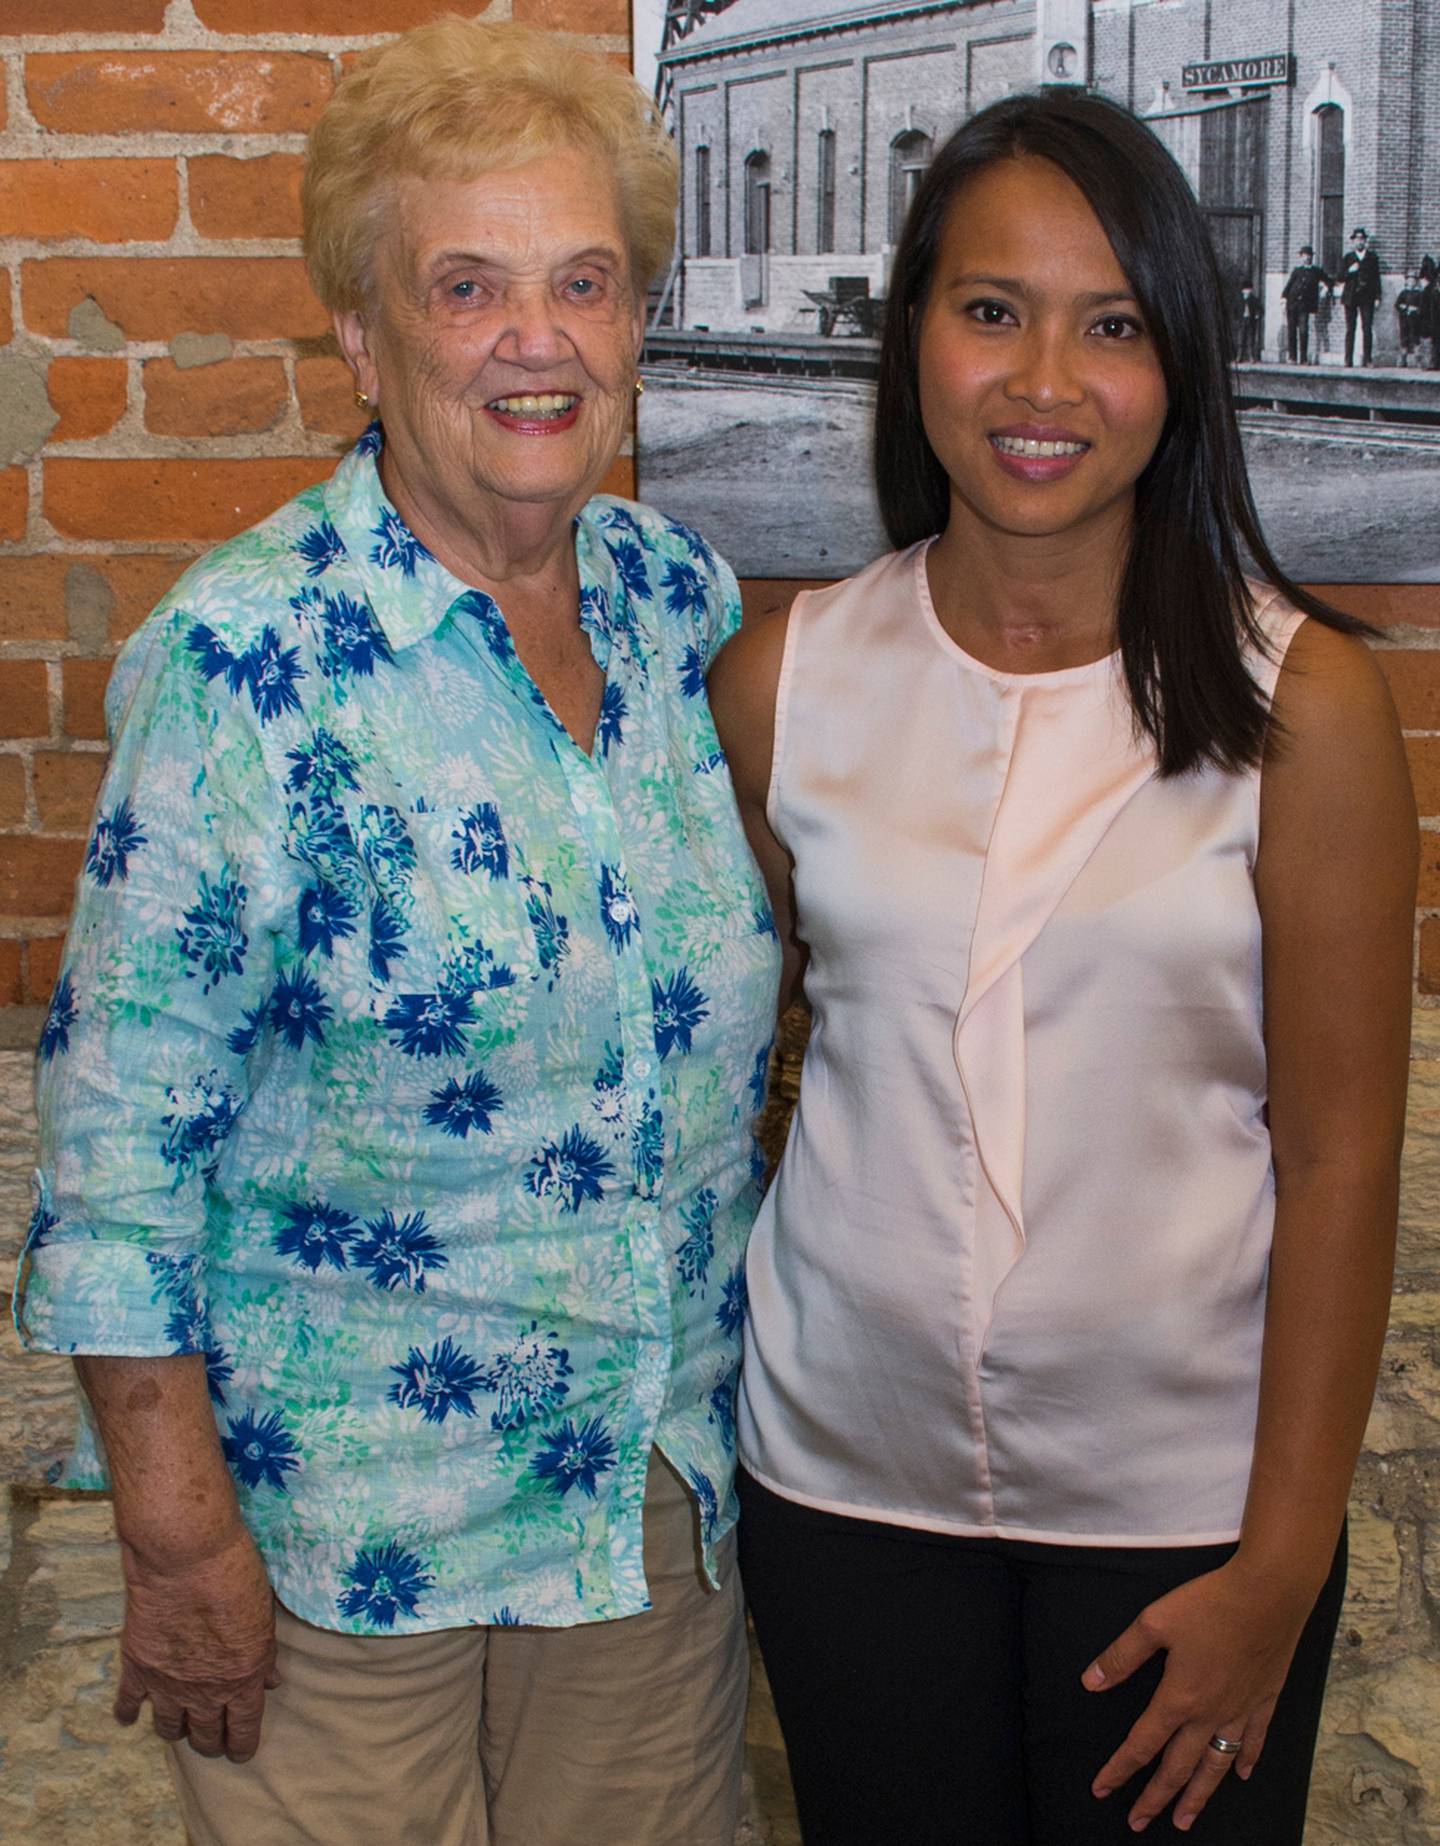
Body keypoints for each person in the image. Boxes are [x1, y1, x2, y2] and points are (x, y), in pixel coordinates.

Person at [13, 20, 779, 1846]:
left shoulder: (680, 607)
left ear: (635, 323)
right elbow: (117, 1163)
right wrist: (177, 1537)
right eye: (469, 284)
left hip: (640, 1511)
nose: (540, 337)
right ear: (360, 331)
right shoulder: (242, 665)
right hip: (334, 1547)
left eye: (584, 281)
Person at [710, 88, 1413, 1845]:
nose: (1043, 384)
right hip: (846, 1489)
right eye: (990, 310)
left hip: (1185, 1512)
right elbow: (762, 1061)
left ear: (1181, 360)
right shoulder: (785, 683)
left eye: (1111, 325)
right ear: (914, 339)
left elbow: (1342, 1162)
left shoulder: (1300, 706)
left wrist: (1285, 1563)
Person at [1339, 226, 1382, 366]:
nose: (1359, 242)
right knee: (1350, 329)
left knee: (1367, 328)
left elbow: (1376, 279)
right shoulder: (1348, 258)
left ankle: (1367, 359)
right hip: (1350, 297)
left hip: (1367, 297)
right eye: (1357, 239)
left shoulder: (1372, 258)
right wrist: (1349, 271)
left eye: (1362, 239)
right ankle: (1348, 359)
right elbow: (1340, 277)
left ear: (1365, 241)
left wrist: (1377, 297)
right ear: (1353, 241)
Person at [1280, 244, 1328, 364]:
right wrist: (1284, 298)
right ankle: (1292, 357)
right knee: (1291, 330)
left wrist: (1326, 288)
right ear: (1301, 257)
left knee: (1303, 330)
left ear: (1312, 257)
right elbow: (1289, 286)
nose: (1307, 258)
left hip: (1305, 306)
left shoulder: (1316, 271)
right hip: (1292, 304)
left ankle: (1303, 358)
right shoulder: (1297, 271)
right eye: (1304, 255)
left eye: (1309, 255)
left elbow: (1329, 280)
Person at [1396, 269, 1424, 366]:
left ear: (1416, 282)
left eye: (1413, 280)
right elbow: (1397, 304)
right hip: (1404, 320)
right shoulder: (1403, 293)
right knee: (1404, 337)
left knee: (1415, 338)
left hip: (1415, 320)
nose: (1411, 282)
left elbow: (1422, 306)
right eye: (1409, 280)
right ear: (1406, 281)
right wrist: (1403, 307)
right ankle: (1403, 359)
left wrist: (1415, 309)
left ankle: (1418, 359)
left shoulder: (1419, 294)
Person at [1235, 280, 1262, 361]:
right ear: (1242, 290)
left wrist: (1258, 315)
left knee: (1251, 339)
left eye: (1249, 289)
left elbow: (1260, 309)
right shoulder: (1239, 299)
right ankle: (1239, 356)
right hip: (1242, 320)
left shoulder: (1254, 299)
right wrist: (1237, 319)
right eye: (1246, 290)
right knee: (1241, 339)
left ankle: (1251, 357)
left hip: (1251, 320)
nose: (1247, 291)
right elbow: (1235, 310)